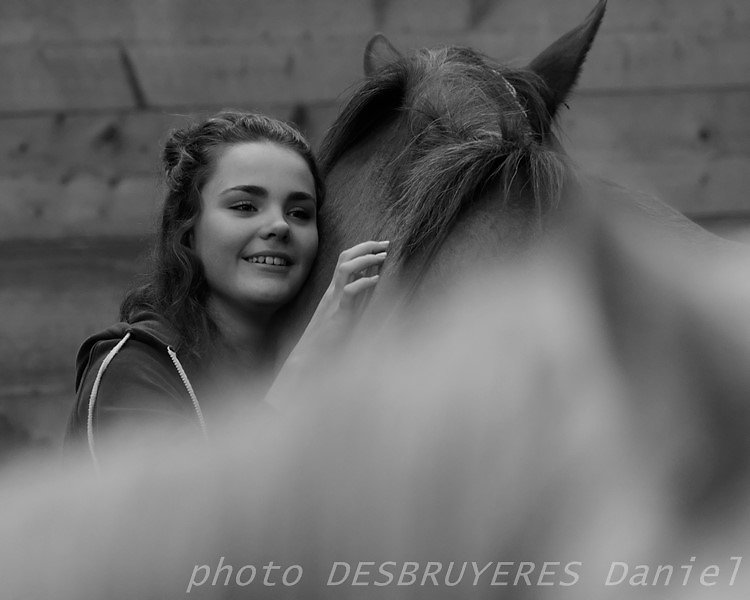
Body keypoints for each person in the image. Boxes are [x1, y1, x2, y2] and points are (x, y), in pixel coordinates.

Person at [65, 111, 387, 467]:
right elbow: (189, 502)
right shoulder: (131, 369)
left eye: (299, 213)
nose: (279, 226)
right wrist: (307, 363)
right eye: (245, 206)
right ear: (188, 230)